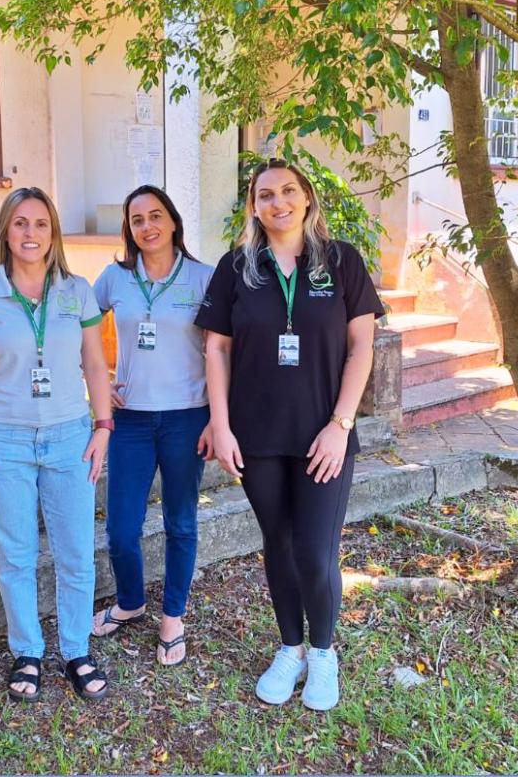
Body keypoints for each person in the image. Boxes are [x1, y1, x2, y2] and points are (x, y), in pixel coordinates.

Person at [195, 159, 383, 712]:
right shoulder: (237, 268)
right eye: (265, 194)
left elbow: (362, 348)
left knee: (315, 550)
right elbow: (216, 350)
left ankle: (324, 654)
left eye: (288, 191)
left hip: (324, 437)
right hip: (256, 436)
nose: (277, 202)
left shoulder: (342, 261)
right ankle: (290, 647)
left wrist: (340, 425)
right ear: (253, 206)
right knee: (276, 544)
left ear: (306, 199)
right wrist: (222, 425)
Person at [0, 187, 114, 702]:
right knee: (16, 554)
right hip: (3, 437)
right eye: (20, 223)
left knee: (76, 552)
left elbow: (93, 363)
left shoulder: (77, 290)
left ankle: (76, 650)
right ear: (5, 231)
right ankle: (27, 650)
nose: (30, 233)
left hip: (69, 435)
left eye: (40, 224)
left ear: (53, 233)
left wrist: (103, 426)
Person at [90, 186, 214, 666]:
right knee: (121, 528)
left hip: (187, 417)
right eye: (137, 219)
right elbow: (79, 328)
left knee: (180, 521)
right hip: (132, 421)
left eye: (155, 215)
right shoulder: (114, 278)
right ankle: (130, 602)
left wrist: (218, 419)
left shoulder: (203, 278)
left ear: (174, 222)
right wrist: (97, 378)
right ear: (130, 228)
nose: (147, 226)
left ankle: (173, 617)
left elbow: (222, 351)